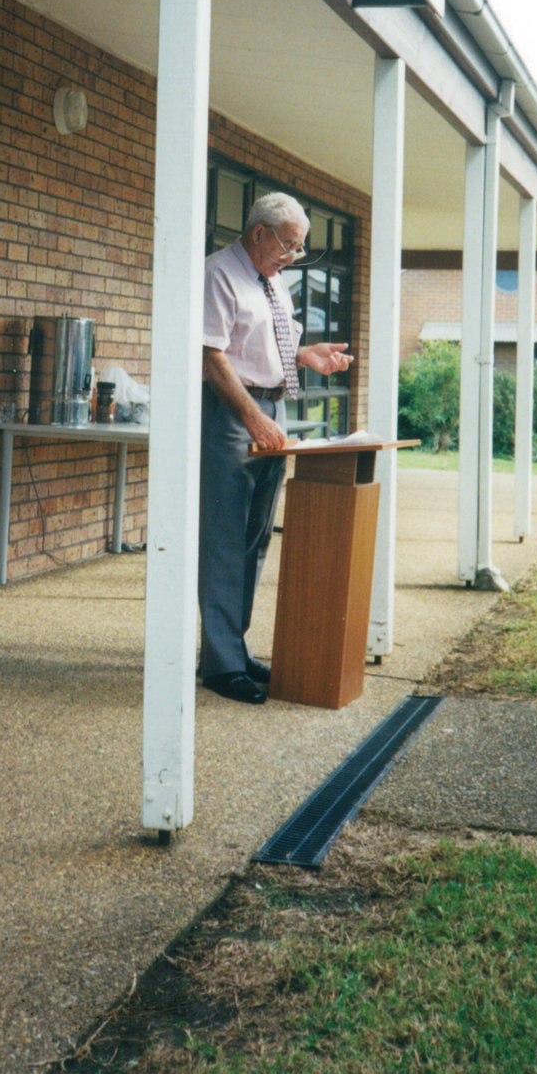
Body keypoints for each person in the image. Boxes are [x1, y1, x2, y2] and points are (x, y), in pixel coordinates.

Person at [198, 192, 353, 704]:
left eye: (299, 248)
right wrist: (252, 417)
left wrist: (309, 355)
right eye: (288, 245)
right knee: (223, 537)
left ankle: (232, 649)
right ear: (259, 233)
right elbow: (212, 355)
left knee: (255, 536)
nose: (292, 256)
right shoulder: (219, 273)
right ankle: (221, 665)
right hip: (234, 414)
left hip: (271, 410)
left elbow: (264, 345)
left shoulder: (273, 280)